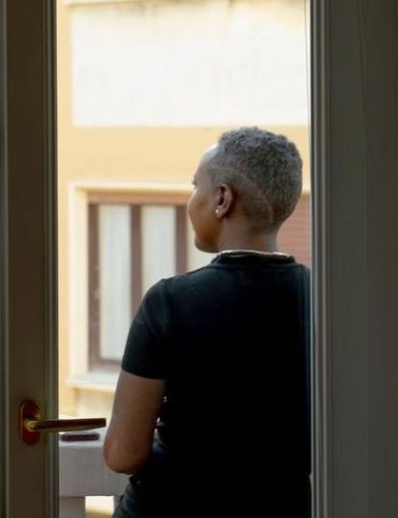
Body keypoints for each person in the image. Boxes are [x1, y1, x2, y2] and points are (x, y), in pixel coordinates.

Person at [103, 127, 311, 518]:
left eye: (196, 186)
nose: (191, 200)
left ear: (222, 198)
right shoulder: (322, 303)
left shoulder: (170, 302)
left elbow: (123, 454)